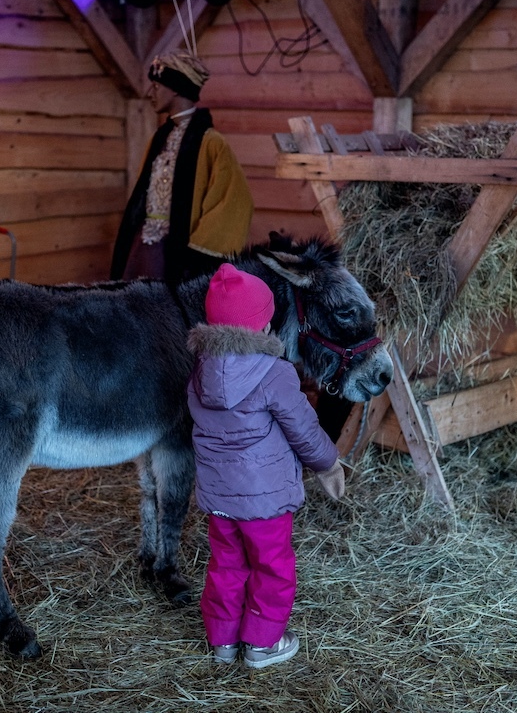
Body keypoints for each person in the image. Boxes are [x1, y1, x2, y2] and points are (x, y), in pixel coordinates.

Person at [187, 263, 346, 667]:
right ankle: (261, 645)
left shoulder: (201, 372)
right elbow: (303, 427)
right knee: (271, 568)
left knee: (226, 564)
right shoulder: (274, 373)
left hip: (220, 497)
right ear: (261, 325)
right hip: (265, 499)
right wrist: (327, 464)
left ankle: (223, 642)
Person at [111, 52, 253, 284]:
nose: (150, 93)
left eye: (156, 86)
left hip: (177, 250)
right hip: (146, 244)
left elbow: (234, 200)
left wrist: (196, 250)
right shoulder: (160, 138)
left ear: (175, 88)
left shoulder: (210, 142)